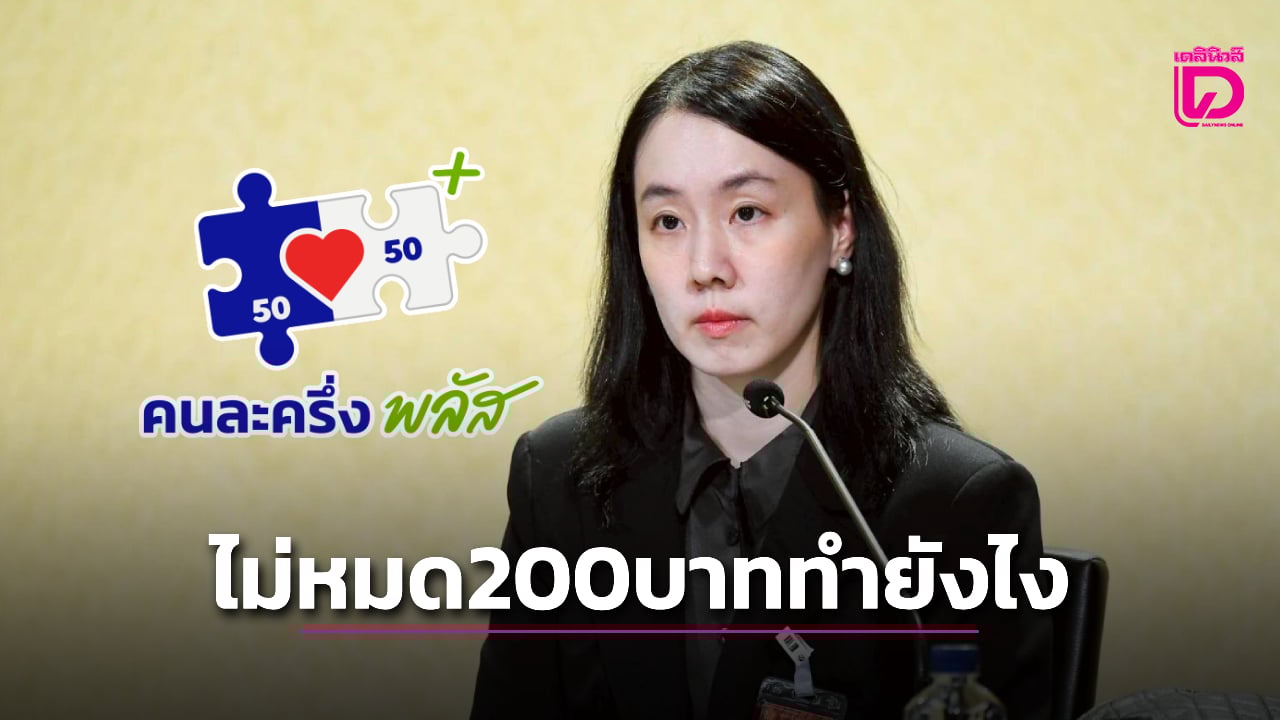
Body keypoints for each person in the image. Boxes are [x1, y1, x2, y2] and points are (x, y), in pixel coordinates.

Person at [470, 40, 1053, 719]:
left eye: (747, 212)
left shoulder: (958, 503)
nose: (705, 266)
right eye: (667, 221)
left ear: (841, 228)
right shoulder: (556, 477)